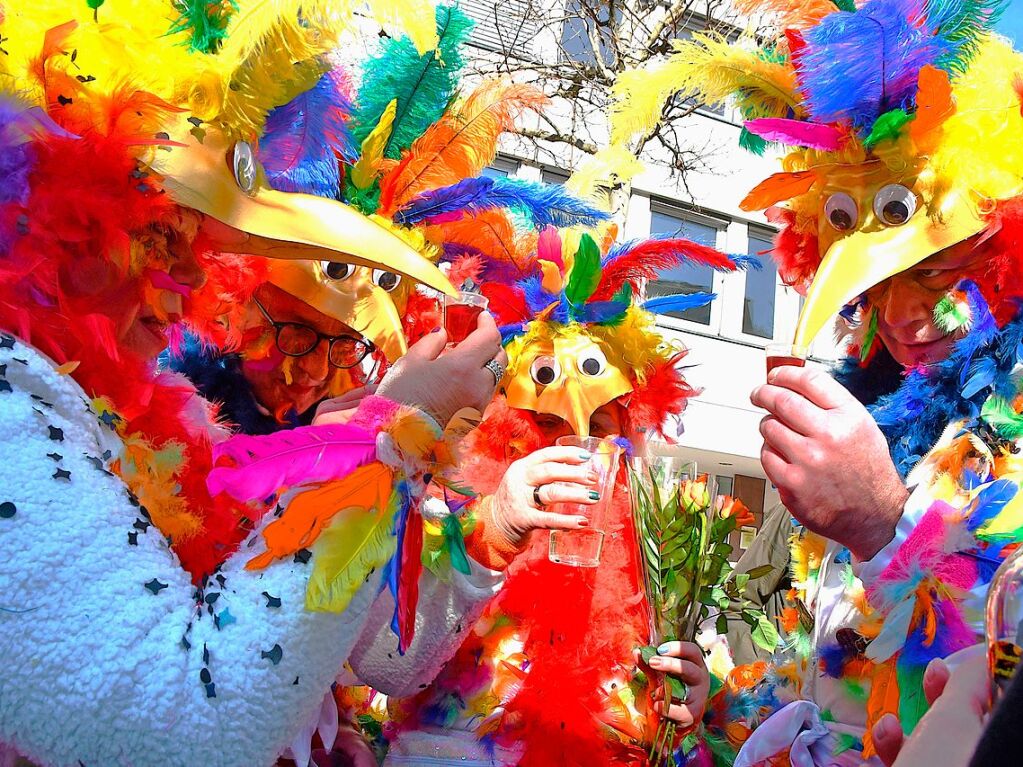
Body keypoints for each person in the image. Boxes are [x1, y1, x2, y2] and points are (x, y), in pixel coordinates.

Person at [0, 4, 568, 766]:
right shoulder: (15, 408)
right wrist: (385, 432)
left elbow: (392, 659)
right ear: (49, 218)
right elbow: (184, 724)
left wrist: (493, 522)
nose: (193, 272)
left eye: (198, 241)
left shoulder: (169, 434)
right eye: (160, 233)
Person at [611, 0, 1023, 763]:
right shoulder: (875, 417)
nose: (901, 313)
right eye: (872, 282)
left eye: (935, 270)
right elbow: (815, 664)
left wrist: (885, 525)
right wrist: (714, 703)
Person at [366, 225, 745, 766]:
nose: (577, 446)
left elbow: (674, 712)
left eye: (599, 425)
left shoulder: (658, 541)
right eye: (545, 422)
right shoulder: (438, 505)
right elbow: (387, 661)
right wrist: (490, 534)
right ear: (505, 420)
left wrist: (690, 704)